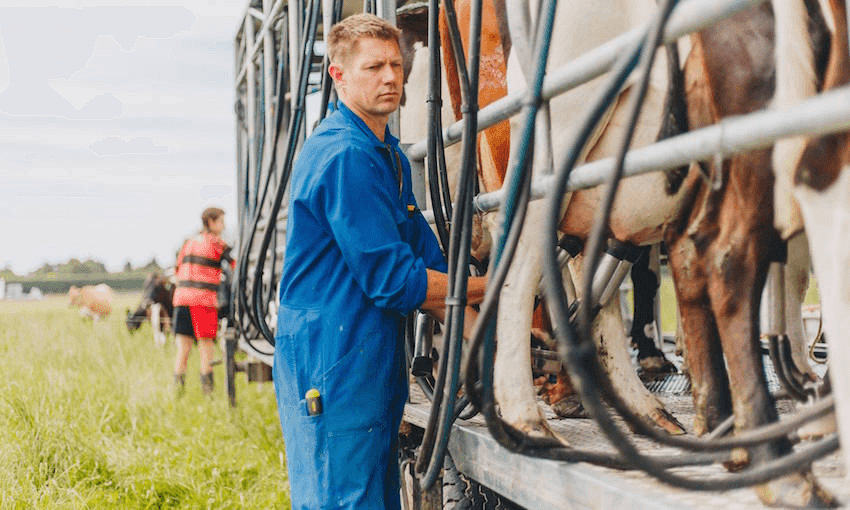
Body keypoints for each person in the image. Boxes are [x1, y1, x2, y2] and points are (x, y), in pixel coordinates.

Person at [273, 13, 487, 510]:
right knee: (345, 498)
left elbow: (422, 256)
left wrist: (479, 332)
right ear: (339, 75)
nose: (390, 77)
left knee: (371, 494)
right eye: (373, 67)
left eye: (396, 64)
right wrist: (496, 288)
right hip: (334, 360)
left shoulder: (383, 150)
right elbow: (394, 281)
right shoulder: (346, 155)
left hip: (362, 354)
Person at [172, 206, 233, 395]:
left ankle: (177, 393)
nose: (223, 226)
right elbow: (235, 264)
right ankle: (209, 395)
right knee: (206, 349)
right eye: (221, 221)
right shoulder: (217, 244)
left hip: (181, 301)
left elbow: (177, 269)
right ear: (211, 223)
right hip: (203, 302)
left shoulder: (188, 242)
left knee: (183, 349)